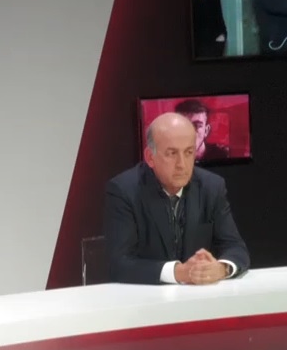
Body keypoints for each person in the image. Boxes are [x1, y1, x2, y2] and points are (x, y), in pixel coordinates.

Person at [105, 112, 250, 285]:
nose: (182, 164)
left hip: (199, 296)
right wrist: (178, 272)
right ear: (150, 157)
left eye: (189, 152)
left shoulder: (211, 187)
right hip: (147, 297)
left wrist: (220, 268)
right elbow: (119, 264)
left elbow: (236, 248)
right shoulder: (124, 190)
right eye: (172, 153)